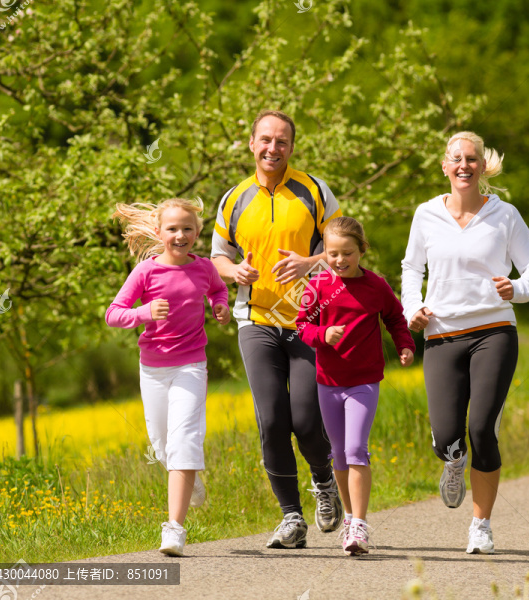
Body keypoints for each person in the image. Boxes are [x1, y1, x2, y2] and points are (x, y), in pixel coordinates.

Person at [401, 131, 529, 555]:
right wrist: (414, 307)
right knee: (448, 435)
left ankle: (480, 525)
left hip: (494, 331)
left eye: (472, 159)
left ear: (483, 167)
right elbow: (412, 268)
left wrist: (514, 290)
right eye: (456, 159)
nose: (464, 165)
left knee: (482, 427)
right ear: (444, 166)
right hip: (441, 333)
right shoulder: (426, 215)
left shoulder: (505, 215)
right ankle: (453, 460)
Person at [211, 109, 345, 549]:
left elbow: (346, 248)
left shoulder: (313, 190)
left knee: (306, 418)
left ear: (292, 146)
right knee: (271, 420)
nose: (273, 148)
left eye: (282, 141)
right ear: (251, 144)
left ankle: (324, 481)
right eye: (265, 139)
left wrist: (310, 262)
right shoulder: (234, 198)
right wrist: (235, 273)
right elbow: (217, 256)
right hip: (257, 321)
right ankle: (291, 518)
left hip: (310, 320)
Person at [106, 198, 231, 557]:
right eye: (173, 229)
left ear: (198, 232)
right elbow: (113, 314)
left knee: (185, 440)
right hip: (154, 368)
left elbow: (217, 290)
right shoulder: (146, 272)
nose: (180, 235)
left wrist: (219, 307)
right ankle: (189, 482)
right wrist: (144, 312)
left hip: (192, 364)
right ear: (159, 233)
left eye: (187, 228)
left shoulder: (205, 268)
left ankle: (174, 528)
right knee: (161, 445)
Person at [296, 217, 415, 556]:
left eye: (347, 253)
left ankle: (360, 525)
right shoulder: (317, 287)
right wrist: (323, 335)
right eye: (332, 254)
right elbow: (301, 326)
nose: (339, 260)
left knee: (356, 449)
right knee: (338, 454)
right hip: (328, 383)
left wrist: (405, 344)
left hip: (363, 382)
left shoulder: (376, 286)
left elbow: (394, 317)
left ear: (362, 250)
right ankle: (349, 517)